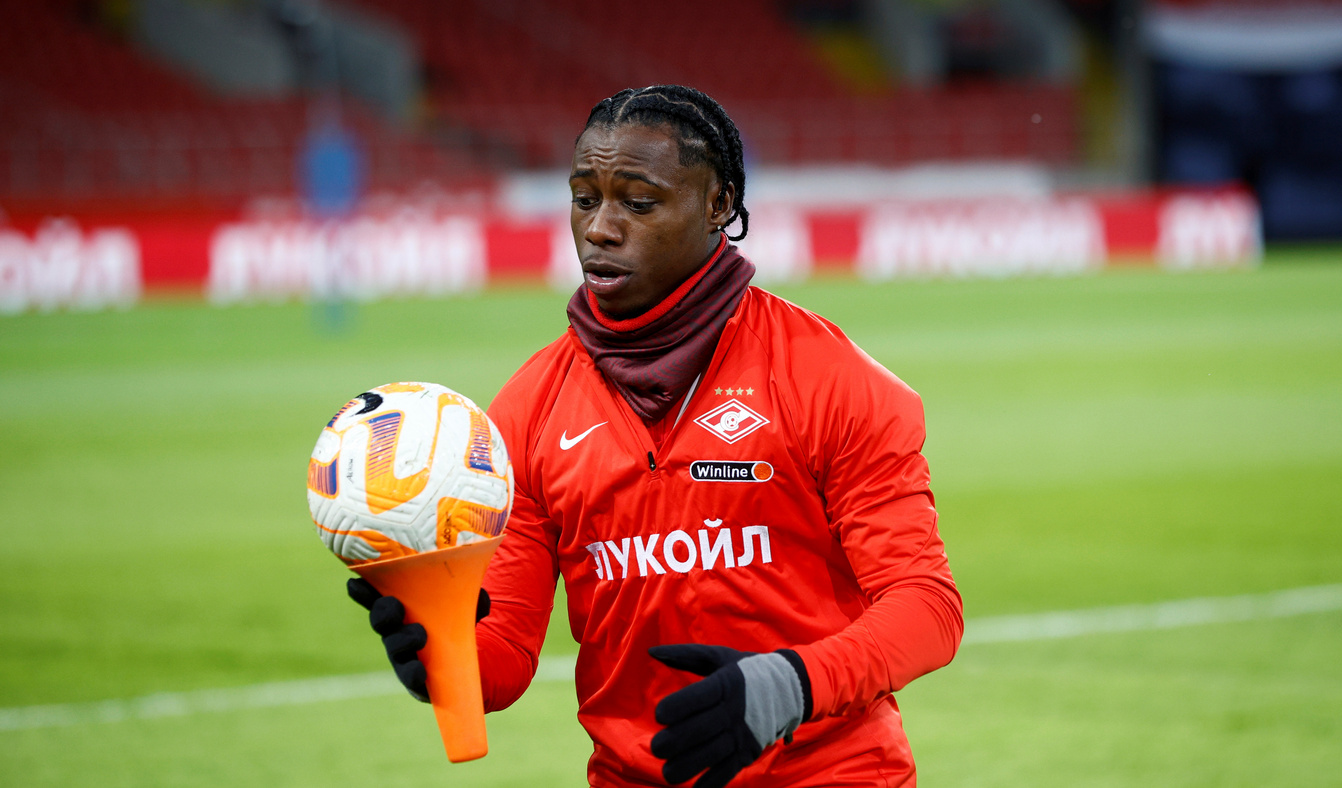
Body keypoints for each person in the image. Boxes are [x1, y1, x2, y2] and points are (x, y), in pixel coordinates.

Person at [349, 84, 963, 788]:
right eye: (585, 199)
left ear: (718, 204)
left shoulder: (828, 377)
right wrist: (438, 651)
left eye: (638, 203)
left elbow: (928, 608)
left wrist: (793, 684)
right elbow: (503, 662)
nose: (600, 230)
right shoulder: (529, 409)